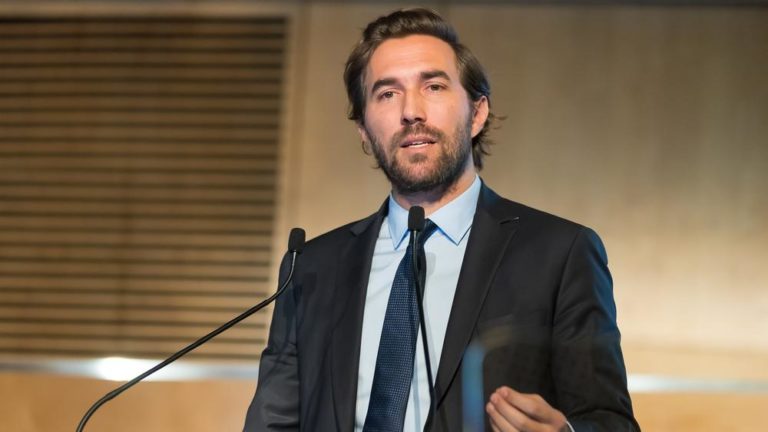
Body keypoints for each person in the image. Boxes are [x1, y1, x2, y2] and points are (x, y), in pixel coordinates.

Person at [244, 8, 639, 432]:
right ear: (364, 130)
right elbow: (272, 423)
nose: (411, 111)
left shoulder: (560, 254)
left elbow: (610, 421)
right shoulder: (312, 267)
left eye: (433, 86)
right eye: (387, 94)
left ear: (477, 113)